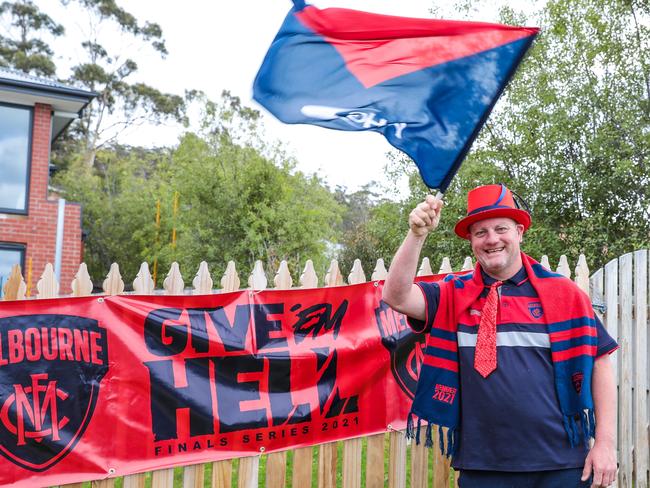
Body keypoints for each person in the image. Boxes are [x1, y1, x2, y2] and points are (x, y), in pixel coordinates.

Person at [382, 184, 618, 488]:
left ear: (519, 232)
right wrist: (417, 234)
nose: (492, 239)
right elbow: (396, 296)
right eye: (480, 232)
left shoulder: (564, 294)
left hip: (563, 464)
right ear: (471, 241)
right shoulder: (452, 295)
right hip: (483, 465)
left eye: (501, 228)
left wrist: (605, 443)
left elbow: (600, 363)